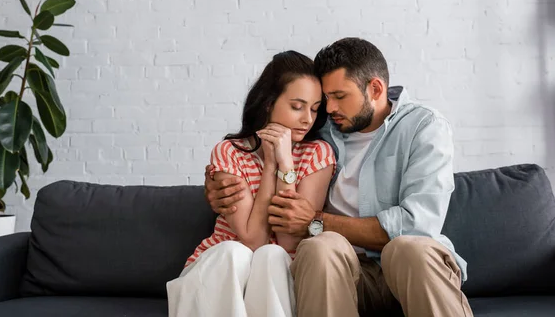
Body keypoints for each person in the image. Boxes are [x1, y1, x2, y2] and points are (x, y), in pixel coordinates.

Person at [205, 38, 474, 317]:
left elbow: (419, 224)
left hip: (410, 266)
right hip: (345, 270)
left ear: (375, 89)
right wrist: (214, 182)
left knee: (406, 248)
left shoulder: (424, 126)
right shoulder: (322, 132)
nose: (328, 108)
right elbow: (258, 155)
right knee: (320, 248)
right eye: (327, 99)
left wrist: (315, 221)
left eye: (340, 97)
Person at [167, 51, 336, 317]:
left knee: (273, 256)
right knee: (235, 252)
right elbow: (251, 238)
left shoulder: (317, 154)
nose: (307, 119)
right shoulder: (230, 152)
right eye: (297, 106)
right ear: (269, 103)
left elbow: (289, 240)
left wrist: (286, 165)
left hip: (279, 276)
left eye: (314, 109)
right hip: (222, 271)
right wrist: (270, 166)